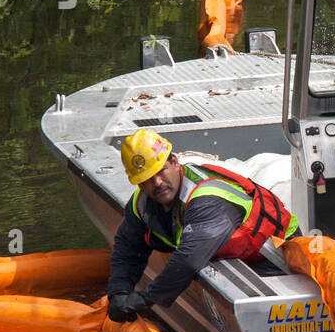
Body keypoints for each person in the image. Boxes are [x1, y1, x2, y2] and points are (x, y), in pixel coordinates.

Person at [106, 130, 298, 321]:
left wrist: (144, 299)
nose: (157, 183)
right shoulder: (141, 203)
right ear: (138, 184)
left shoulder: (207, 198)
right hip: (235, 259)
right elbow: (128, 247)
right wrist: (119, 292)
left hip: (278, 261)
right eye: (146, 179)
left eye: (160, 171)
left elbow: (189, 258)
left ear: (174, 162)